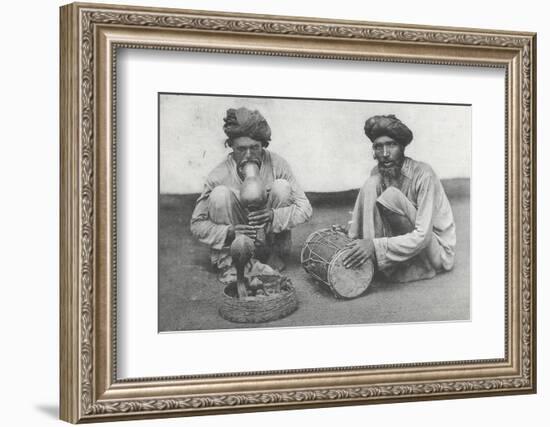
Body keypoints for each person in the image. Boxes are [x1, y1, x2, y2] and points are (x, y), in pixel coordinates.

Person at [190, 107, 312, 282]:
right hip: (236, 246)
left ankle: (272, 257)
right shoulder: (218, 175)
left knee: (282, 187)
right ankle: (231, 265)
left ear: (263, 145)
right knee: (219, 194)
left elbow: (306, 208)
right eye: (241, 149)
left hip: (270, 246)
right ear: (231, 147)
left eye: (255, 148)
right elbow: (197, 224)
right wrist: (229, 232)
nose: (248, 155)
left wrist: (273, 216)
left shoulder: (278, 165)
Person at [343, 114, 456, 283]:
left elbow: (423, 236)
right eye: (379, 147)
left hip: (436, 252)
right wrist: (354, 235)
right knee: (371, 182)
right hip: (407, 244)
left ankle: (385, 260)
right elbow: (375, 217)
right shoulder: (377, 173)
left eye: (391, 145)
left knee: (391, 196)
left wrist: (374, 246)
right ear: (374, 151)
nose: (385, 153)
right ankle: (366, 258)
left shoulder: (424, 174)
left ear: (402, 148)